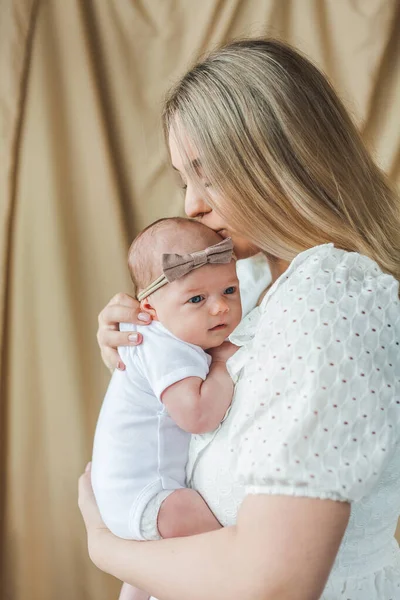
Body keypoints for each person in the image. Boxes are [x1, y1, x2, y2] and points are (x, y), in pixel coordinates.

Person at [79, 38, 400, 600]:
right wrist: (146, 348)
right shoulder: (251, 290)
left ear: (285, 155)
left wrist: (105, 546)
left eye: (208, 174)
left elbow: (272, 583)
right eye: (184, 180)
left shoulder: (326, 300)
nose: (191, 206)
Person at [92, 217, 242, 600]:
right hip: (149, 497)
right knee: (230, 546)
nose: (220, 308)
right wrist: (224, 366)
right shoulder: (165, 347)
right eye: (197, 299)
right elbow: (197, 416)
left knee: (149, 567)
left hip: (125, 494)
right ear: (150, 310)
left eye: (229, 289)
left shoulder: (167, 336)